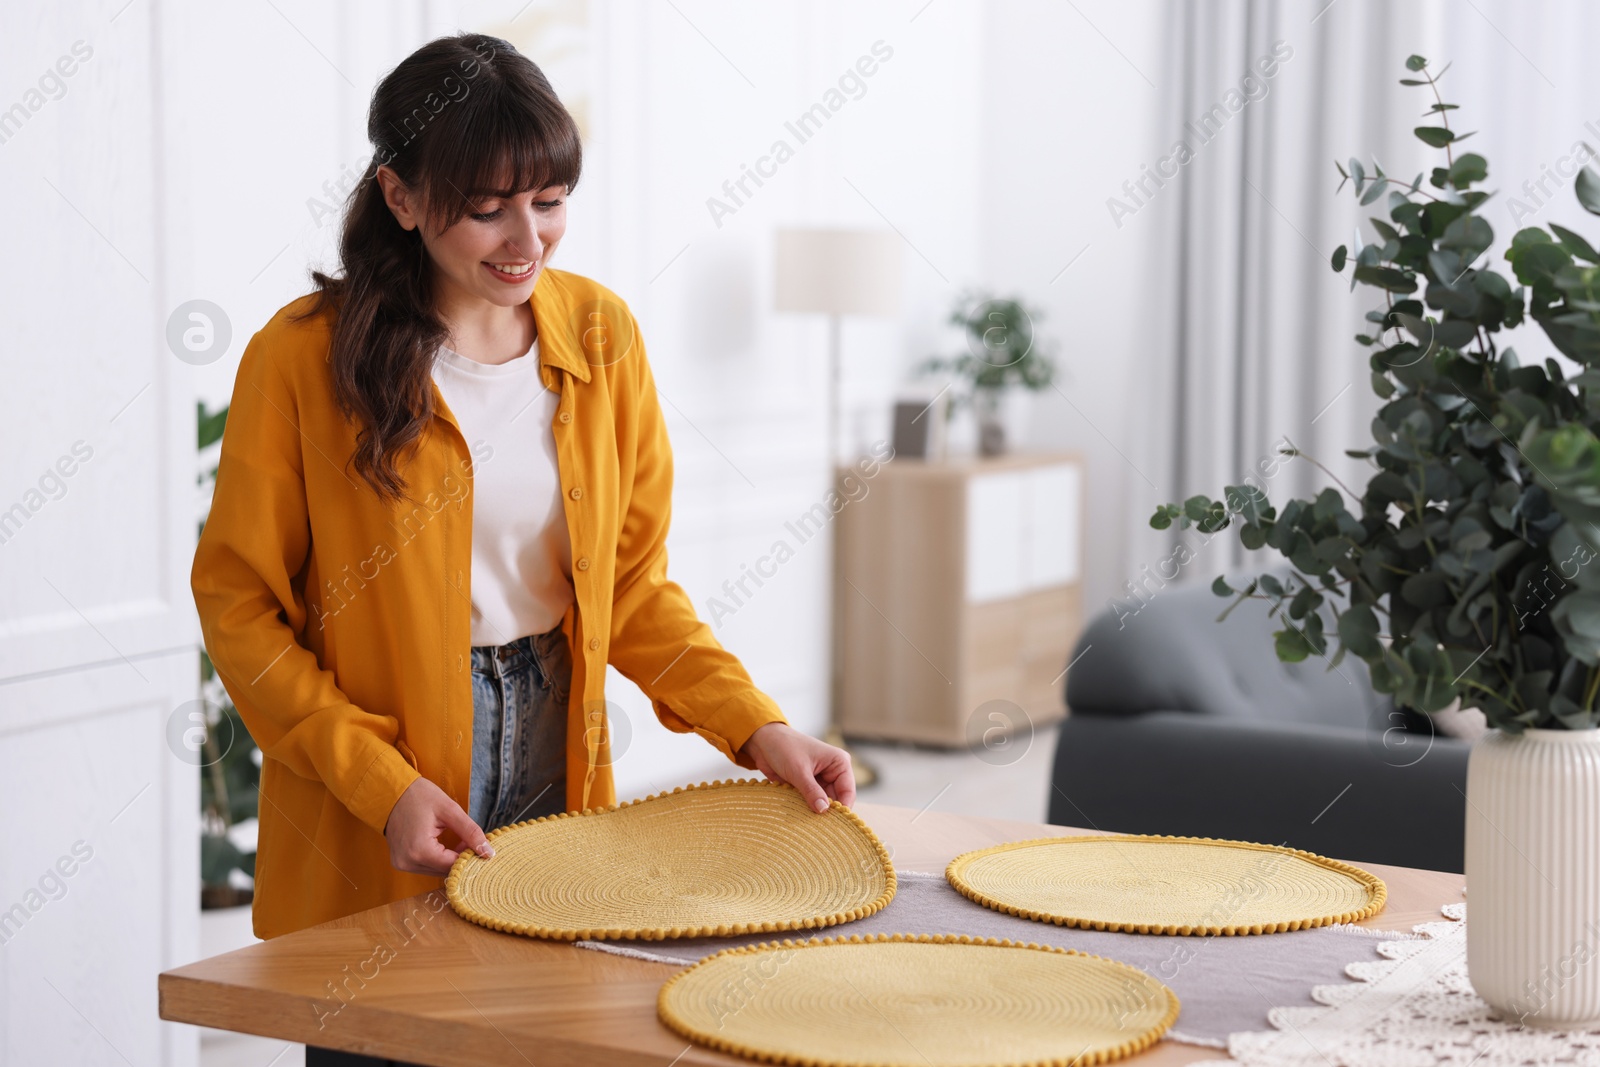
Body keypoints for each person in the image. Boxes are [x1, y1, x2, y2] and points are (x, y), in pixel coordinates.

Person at [191, 32, 856, 1065]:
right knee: (383, 1042)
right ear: (402, 198)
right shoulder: (300, 357)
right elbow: (240, 609)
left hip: (556, 743)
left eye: (546, 200)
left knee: (546, 1039)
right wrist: (381, 784)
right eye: (487, 205)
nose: (526, 237)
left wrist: (756, 728)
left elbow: (631, 588)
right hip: (388, 771)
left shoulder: (600, 333)